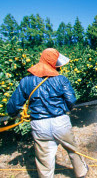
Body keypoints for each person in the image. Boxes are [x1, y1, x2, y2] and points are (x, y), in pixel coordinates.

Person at [6, 48, 89, 178]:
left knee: (44, 158)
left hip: (40, 125)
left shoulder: (27, 81)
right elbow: (71, 100)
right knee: (73, 150)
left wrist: (13, 114)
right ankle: (81, 173)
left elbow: (13, 104)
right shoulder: (61, 79)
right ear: (52, 63)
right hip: (60, 121)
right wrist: (66, 108)